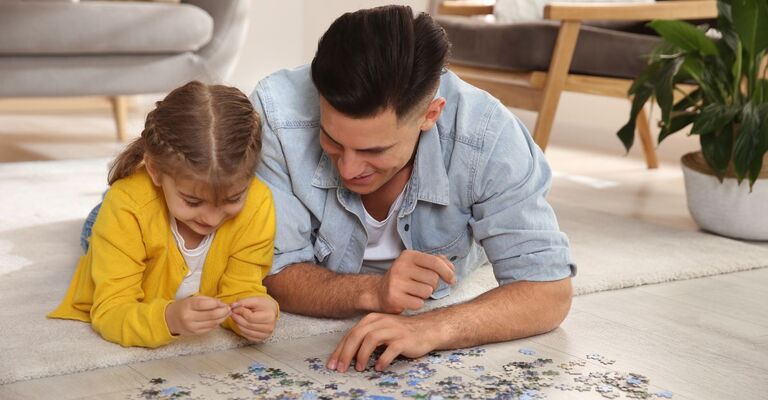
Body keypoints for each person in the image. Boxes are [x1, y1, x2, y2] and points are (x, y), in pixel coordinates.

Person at [252, 5, 576, 373]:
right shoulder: (277, 114)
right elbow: (273, 270)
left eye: (375, 150)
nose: (349, 168)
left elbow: (549, 290)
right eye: (332, 140)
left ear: (430, 115)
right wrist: (373, 292)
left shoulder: (489, 137)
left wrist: (433, 327)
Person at [49, 81, 278, 348]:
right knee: (101, 220)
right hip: (123, 214)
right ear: (155, 170)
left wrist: (257, 310)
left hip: (145, 205)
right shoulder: (127, 208)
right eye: (193, 201)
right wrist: (169, 319)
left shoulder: (258, 202)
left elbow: (244, 287)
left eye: (233, 198)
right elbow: (110, 311)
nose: (212, 219)